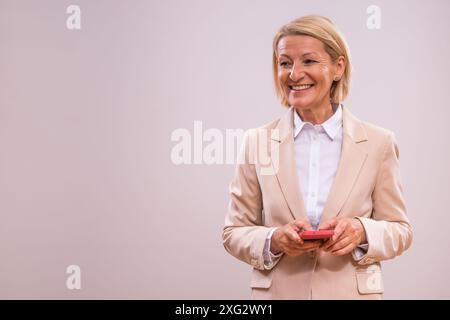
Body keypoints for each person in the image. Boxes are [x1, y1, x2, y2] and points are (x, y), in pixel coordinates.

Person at [222, 15, 413, 299]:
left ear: (338, 67)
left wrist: (361, 231)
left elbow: (400, 231)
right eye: (285, 63)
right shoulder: (256, 142)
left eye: (309, 61)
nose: (294, 74)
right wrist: (274, 239)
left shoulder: (378, 143)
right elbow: (234, 232)